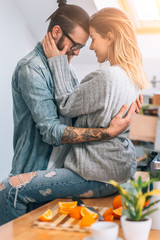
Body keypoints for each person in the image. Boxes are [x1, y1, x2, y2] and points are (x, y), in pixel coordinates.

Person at [0, 2, 143, 226]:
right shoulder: (31, 68)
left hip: (69, 169)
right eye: (75, 45)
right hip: (39, 166)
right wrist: (106, 133)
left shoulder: (67, 66)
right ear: (56, 32)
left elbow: (78, 112)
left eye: (83, 46)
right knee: (16, 208)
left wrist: (119, 106)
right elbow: (51, 130)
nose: (77, 52)